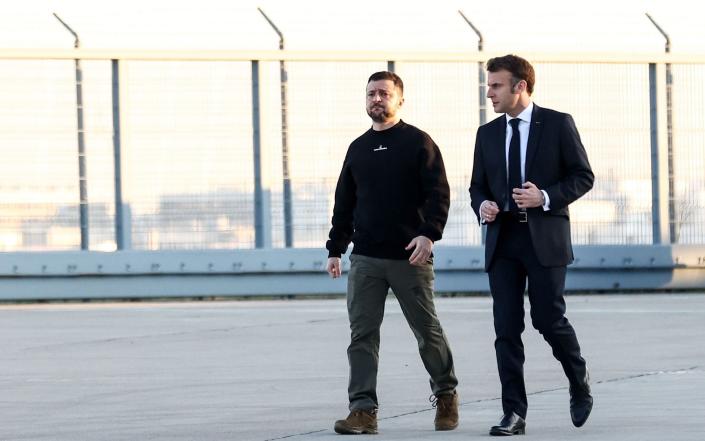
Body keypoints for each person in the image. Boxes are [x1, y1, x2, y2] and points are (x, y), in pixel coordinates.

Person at [326, 71, 459, 435]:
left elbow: (439, 194)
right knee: (362, 336)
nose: (377, 99)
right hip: (366, 258)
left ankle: (446, 394)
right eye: (371, 94)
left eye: (384, 93)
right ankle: (362, 411)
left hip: (409, 258)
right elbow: (344, 203)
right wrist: (336, 249)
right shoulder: (358, 148)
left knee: (427, 330)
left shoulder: (418, 143)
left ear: (400, 99)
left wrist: (429, 235)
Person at [469, 54, 595, 436]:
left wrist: (544, 197)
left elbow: (583, 176)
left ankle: (579, 381)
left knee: (547, 319)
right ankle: (514, 413)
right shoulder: (487, 134)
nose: (489, 93)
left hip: (544, 239)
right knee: (506, 327)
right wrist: (483, 205)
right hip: (503, 240)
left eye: (496, 86)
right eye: (489, 85)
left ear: (519, 86)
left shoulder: (557, 124)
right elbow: (477, 186)